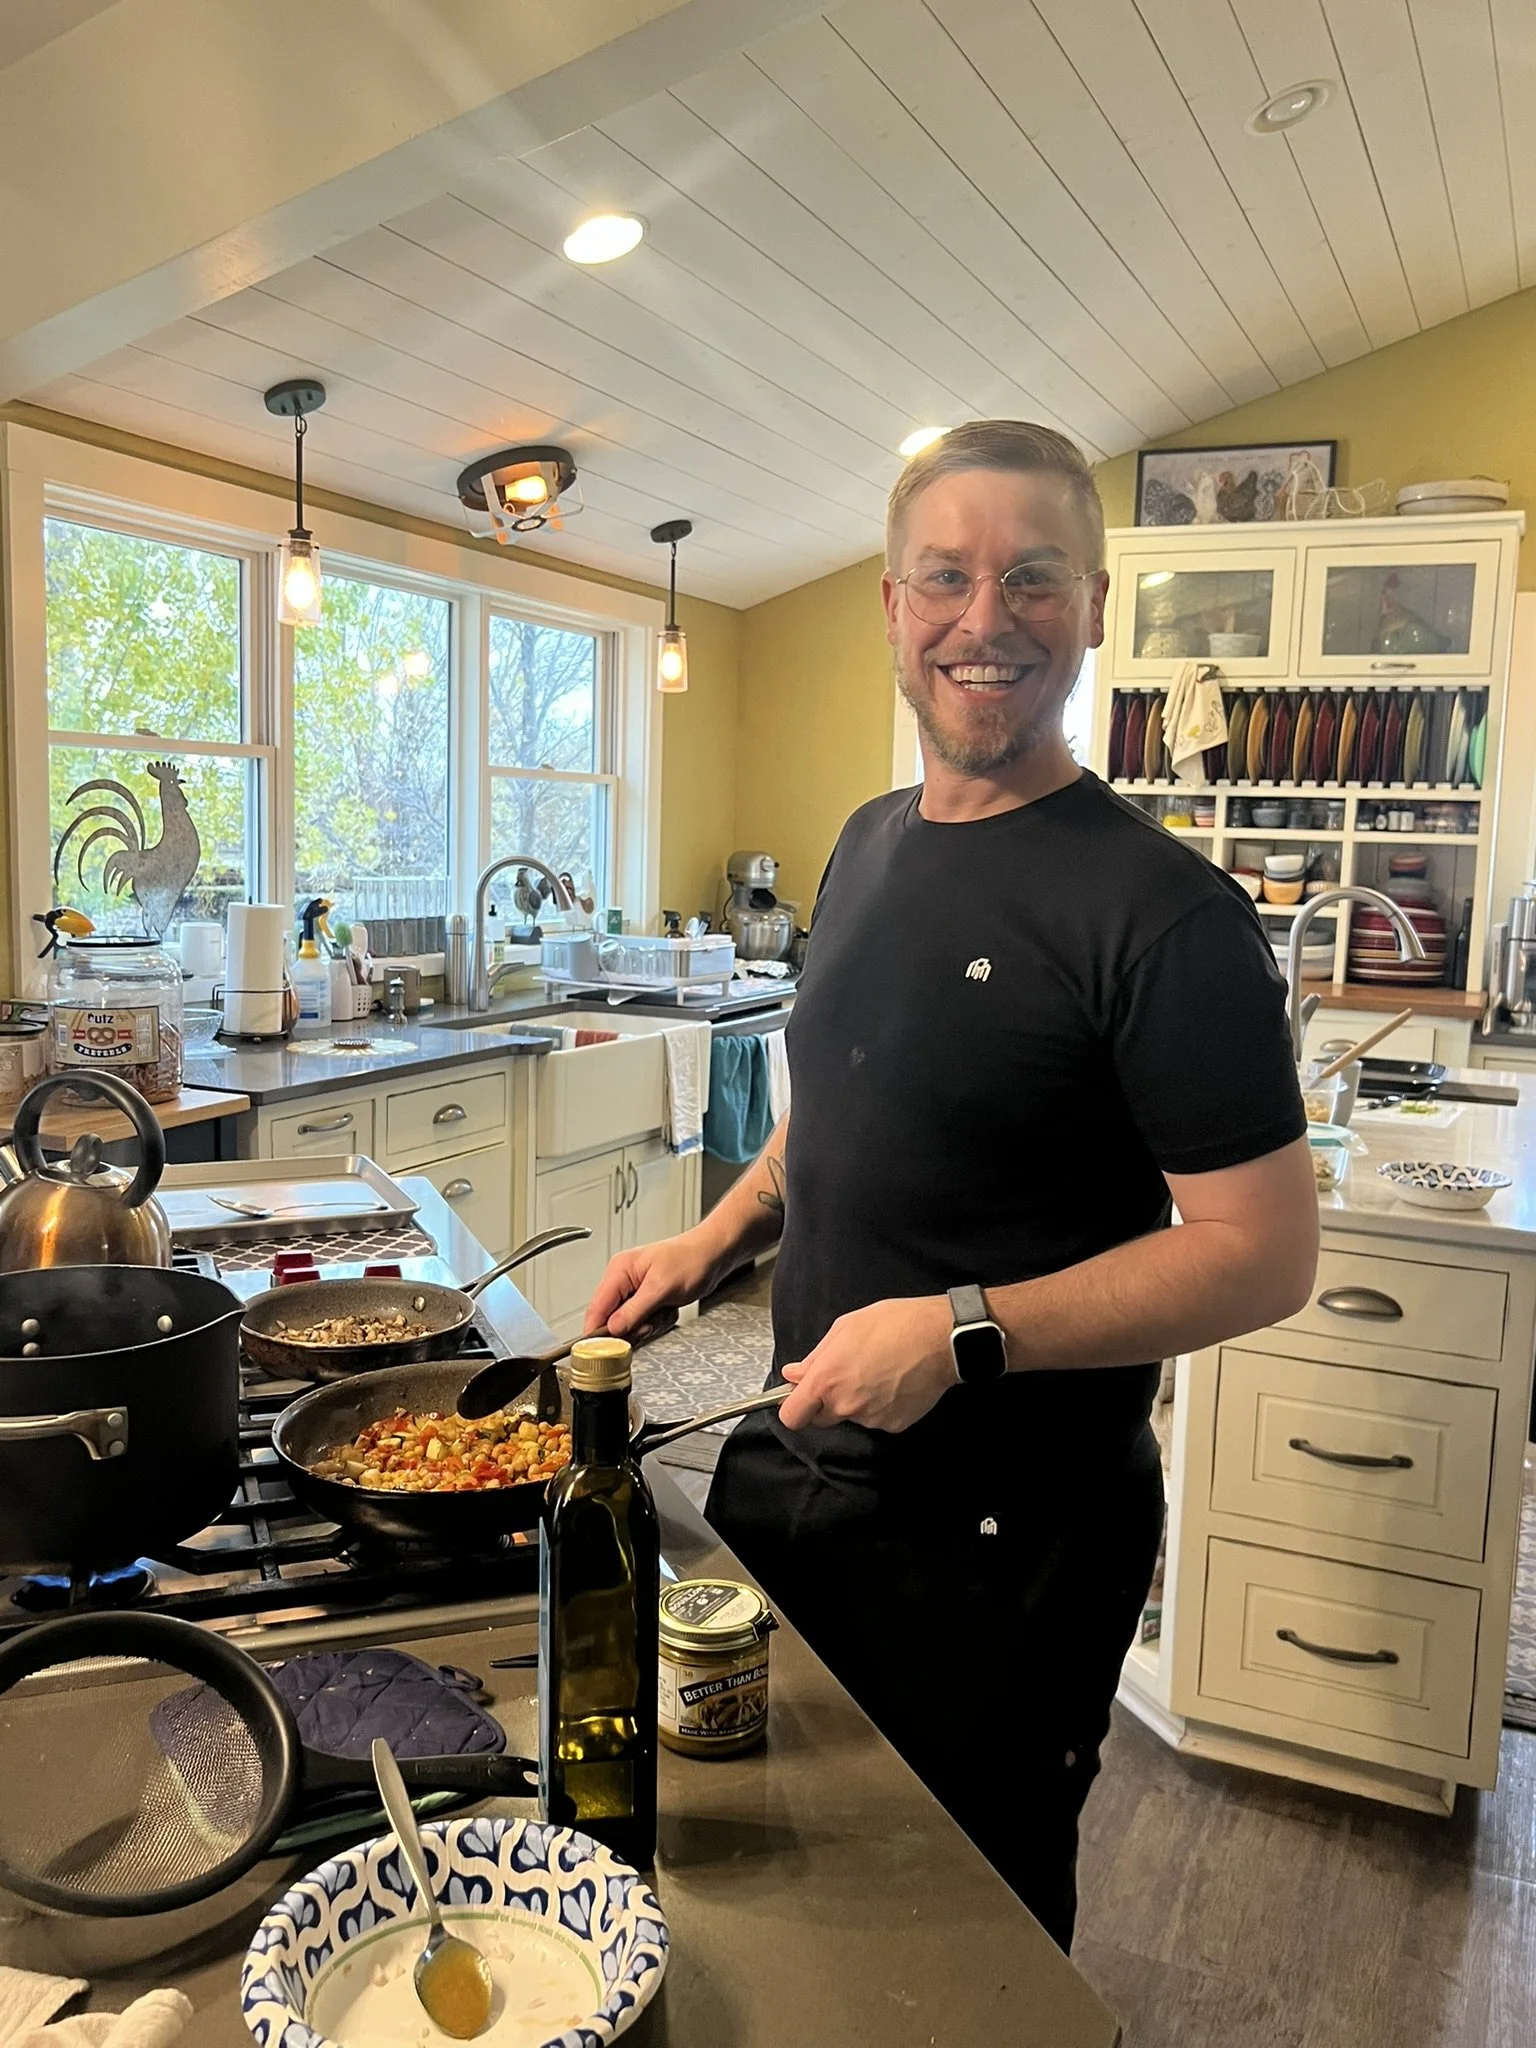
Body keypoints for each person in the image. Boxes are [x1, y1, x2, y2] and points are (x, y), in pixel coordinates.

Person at [584, 420, 1318, 1951]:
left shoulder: (1167, 919)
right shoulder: (866, 845)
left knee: (959, 1935)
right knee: (764, 1870)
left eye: (1032, 577)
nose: (987, 620)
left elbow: (1262, 1253)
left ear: (1095, 605)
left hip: (1008, 1544)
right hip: (797, 1463)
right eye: (947, 577)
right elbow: (846, 1111)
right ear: (891, 606)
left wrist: (962, 1328)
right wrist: (712, 1237)